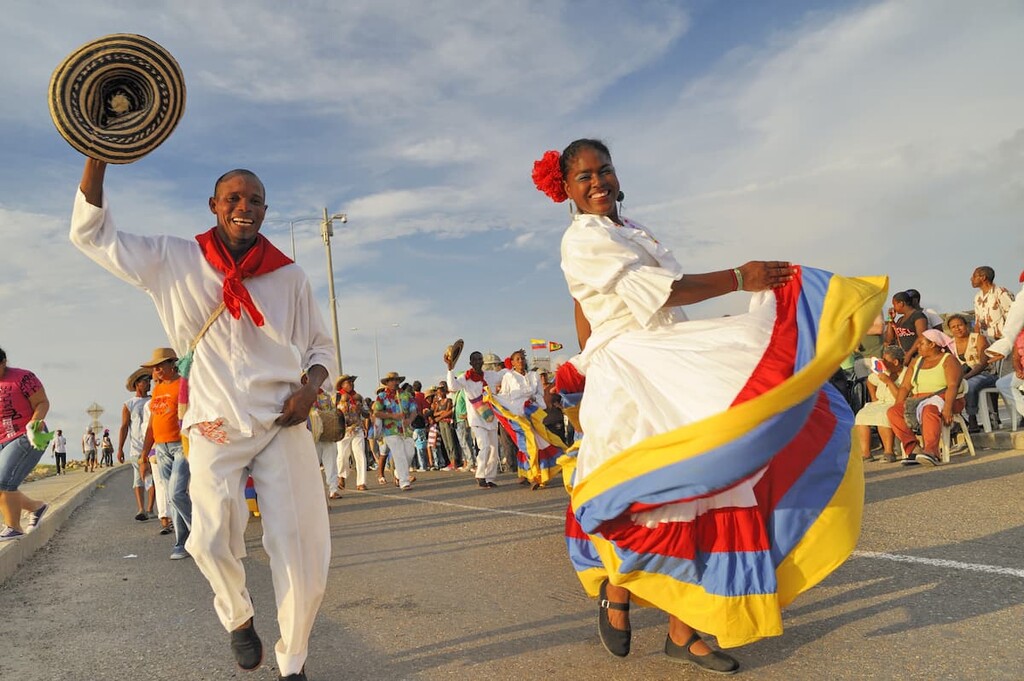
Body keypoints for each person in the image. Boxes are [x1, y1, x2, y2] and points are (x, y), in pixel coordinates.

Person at [532, 139, 884, 672]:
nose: (597, 181)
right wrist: (740, 279)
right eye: (584, 177)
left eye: (603, 170)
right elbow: (659, 292)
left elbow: (590, 303)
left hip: (666, 354)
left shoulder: (628, 230)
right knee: (648, 492)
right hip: (632, 371)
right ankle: (615, 590)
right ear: (567, 189)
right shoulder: (583, 240)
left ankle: (684, 631)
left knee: (711, 483)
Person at [72, 159, 334, 681]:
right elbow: (92, 234)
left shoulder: (291, 275)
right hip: (213, 422)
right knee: (209, 537)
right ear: (214, 206)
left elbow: (319, 346)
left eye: (255, 200)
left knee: (303, 548)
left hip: (283, 419)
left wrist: (310, 389)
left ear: (266, 210)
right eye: (233, 199)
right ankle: (238, 614)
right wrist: (97, 153)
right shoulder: (173, 258)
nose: (244, 208)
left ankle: (294, 661)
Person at [139, 348, 192, 559]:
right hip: (161, 449)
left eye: (161, 365)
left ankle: (199, 535)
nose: (157, 370)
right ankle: (181, 542)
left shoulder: (184, 385)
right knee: (172, 498)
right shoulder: (159, 389)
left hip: (181, 445)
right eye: (154, 367)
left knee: (176, 493)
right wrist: (144, 454)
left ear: (173, 364)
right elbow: (152, 425)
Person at [887, 329, 965, 466]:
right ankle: (914, 449)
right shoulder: (916, 362)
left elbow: (953, 386)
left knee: (929, 409)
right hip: (918, 400)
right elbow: (905, 387)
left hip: (945, 398)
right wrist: (898, 406)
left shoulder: (948, 360)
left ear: (932, 345)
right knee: (893, 412)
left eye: (921, 344)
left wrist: (947, 408)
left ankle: (931, 452)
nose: (917, 346)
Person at [0, 347, 51, 541]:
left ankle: (14, 527)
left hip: (26, 434)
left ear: (3, 362)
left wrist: (34, 424)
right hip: (1, 438)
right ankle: (36, 507)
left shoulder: (23, 378)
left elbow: (42, 402)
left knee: (4, 481)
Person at [445, 351, 506, 489]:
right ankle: (480, 475)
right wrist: (450, 369)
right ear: (471, 363)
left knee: (494, 449)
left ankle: (489, 477)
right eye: (475, 360)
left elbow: (503, 376)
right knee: (483, 446)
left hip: (490, 417)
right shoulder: (465, 377)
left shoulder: (489, 375)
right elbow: (452, 387)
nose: (478, 362)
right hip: (476, 418)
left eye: (480, 359)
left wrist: (510, 364)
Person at [852, 346, 906, 463]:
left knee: (883, 416)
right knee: (861, 415)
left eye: (886, 360)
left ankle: (889, 452)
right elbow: (870, 381)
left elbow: (900, 397)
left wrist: (889, 381)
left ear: (896, 362)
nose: (883, 362)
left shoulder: (906, 373)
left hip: (896, 404)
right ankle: (865, 453)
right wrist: (874, 397)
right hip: (880, 402)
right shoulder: (883, 371)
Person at [947, 313, 996, 432]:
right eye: (953, 327)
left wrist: (967, 376)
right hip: (963, 377)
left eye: (960, 325)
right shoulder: (950, 344)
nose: (957, 329)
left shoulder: (978, 338)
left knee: (971, 385)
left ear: (966, 325)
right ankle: (959, 420)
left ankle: (972, 417)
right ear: (950, 330)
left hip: (986, 374)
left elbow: (984, 363)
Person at [118, 367, 154, 520]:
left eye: (149, 381)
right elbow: (125, 427)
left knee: (149, 477)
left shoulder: (153, 400)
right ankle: (141, 509)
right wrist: (120, 448)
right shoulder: (129, 404)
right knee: (138, 478)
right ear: (137, 385)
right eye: (145, 382)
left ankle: (150, 508)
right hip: (135, 448)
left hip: (152, 445)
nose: (148, 384)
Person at [372, 372, 416, 490]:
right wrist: (393, 416)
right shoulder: (381, 396)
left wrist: (410, 419)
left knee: (410, 453)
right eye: (392, 380)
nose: (395, 382)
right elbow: (376, 412)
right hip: (390, 430)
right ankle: (404, 481)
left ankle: (398, 473)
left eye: (396, 380)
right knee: (399, 454)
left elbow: (413, 410)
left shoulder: (406, 395)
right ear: (387, 383)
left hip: (406, 430)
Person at [335, 374, 368, 491]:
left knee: (360, 454)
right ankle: (341, 475)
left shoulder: (358, 397)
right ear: (342, 384)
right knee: (342, 456)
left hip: (357, 428)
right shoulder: (337, 397)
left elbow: (367, 413)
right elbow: (332, 412)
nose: (351, 384)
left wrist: (361, 410)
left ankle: (361, 482)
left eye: (352, 382)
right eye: (349, 382)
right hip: (342, 430)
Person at [971, 266, 1015, 340]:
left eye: (974, 276)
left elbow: (1013, 315)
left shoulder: (1001, 292)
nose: (971, 279)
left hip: (1003, 339)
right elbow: (977, 322)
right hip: (986, 341)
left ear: (983, 277)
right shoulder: (977, 297)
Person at [884, 291, 928, 365]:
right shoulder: (900, 319)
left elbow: (922, 336)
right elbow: (889, 339)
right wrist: (890, 319)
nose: (893, 307)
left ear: (901, 303)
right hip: (904, 357)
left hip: (916, 356)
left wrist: (909, 353)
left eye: (894, 304)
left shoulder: (918, 315)